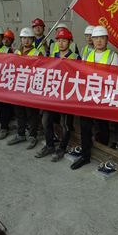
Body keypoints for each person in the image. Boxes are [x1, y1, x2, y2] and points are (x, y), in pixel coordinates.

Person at [72, 25, 118, 170]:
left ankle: (102, 155)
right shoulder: (88, 55)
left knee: (103, 127)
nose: (99, 41)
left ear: (107, 40)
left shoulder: (113, 56)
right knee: (85, 127)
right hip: (89, 96)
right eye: (96, 38)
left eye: (102, 38)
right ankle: (85, 156)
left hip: (104, 97)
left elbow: (115, 78)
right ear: (92, 39)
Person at [36, 27, 80, 161]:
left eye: (64, 40)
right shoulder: (52, 56)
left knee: (65, 123)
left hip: (67, 96)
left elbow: (79, 76)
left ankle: (62, 148)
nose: (61, 43)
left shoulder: (76, 57)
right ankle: (50, 145)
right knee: (45, 120)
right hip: (52, 94)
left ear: (70, 42)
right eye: (59, 40)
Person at [7, 27, 41, 147]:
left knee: (31, 113)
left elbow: (40, 71)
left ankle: (32, 135)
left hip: (30, 88)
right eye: (24, 38)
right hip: (18, 87)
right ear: (20, 39)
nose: (26, 41)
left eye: (29, 38)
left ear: (33, 39)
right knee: (19, 112)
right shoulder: (16, 53)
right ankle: (20, 134)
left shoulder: (37, 53)